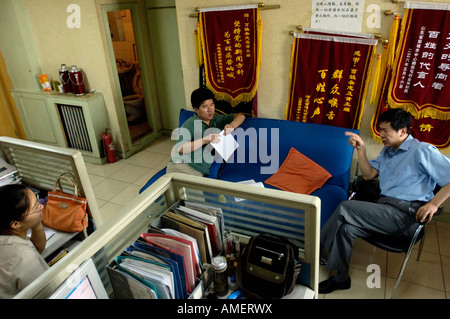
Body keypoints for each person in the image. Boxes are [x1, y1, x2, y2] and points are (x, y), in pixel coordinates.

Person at [319, 108, 450, 294]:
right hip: (384, 211)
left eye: (385, 131)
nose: (381, 135)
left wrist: (434, 204)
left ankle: (313, 249)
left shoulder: (422, 150)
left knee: (345, 208)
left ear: (403, 131)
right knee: (346, 230)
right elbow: (368, 175)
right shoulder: (387, 152)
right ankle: (341, 278)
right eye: (380, 129)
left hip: (408, 217)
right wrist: (361, 150)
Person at [168, 87, 245, 176]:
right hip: (181, 166)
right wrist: (204, 140)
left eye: (212, 105)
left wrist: (232, 126)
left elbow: (241, 117)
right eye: (205, 106)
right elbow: (181, 149)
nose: (210, 110)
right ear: (196, 109)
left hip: (197, 173)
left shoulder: (216, 120)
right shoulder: (190, 124)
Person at [0, 184, 48, 298]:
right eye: (35, 207)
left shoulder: (6, 233)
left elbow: (38, 248)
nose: (41, 205)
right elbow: (47, 292)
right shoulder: (22, 257)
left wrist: (36, 222)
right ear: (15, 224)